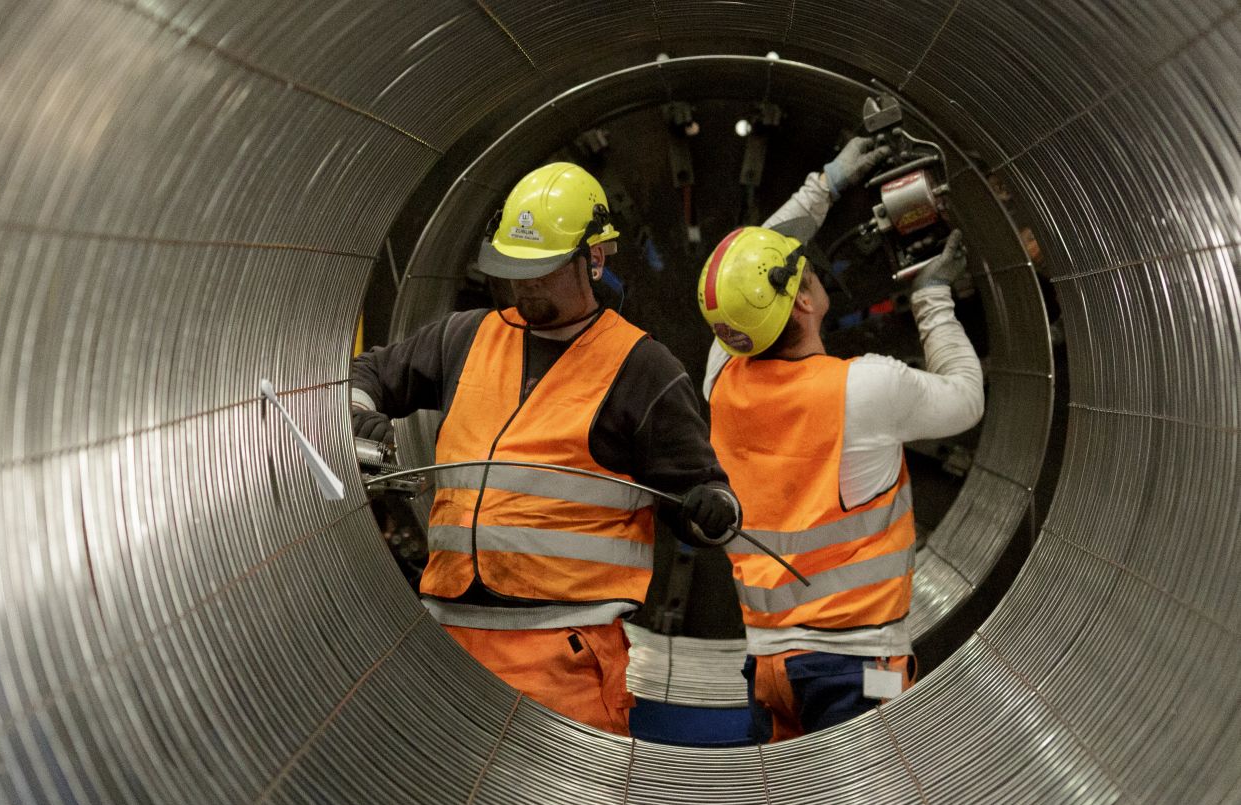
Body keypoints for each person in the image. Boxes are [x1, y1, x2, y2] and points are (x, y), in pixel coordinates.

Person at [350, 162, 739, 736]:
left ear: (594, 258)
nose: (524, 285)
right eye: (514, 268)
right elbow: (365, 374)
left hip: (564, 659)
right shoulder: (465, 337)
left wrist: (710, 510)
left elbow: (707, 502)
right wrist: (361, 416)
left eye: (541, 270)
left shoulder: (642, 369)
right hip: (448, 644)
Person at [697, 138, 984, 742]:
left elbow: (744, 272)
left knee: (788, 792)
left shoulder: (721, 377)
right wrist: (933, 297)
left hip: (769, 667)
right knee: (872, 788)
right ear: (804, 300)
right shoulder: (865, 388)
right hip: (859, 667)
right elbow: (966, 397)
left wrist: (826, 182)